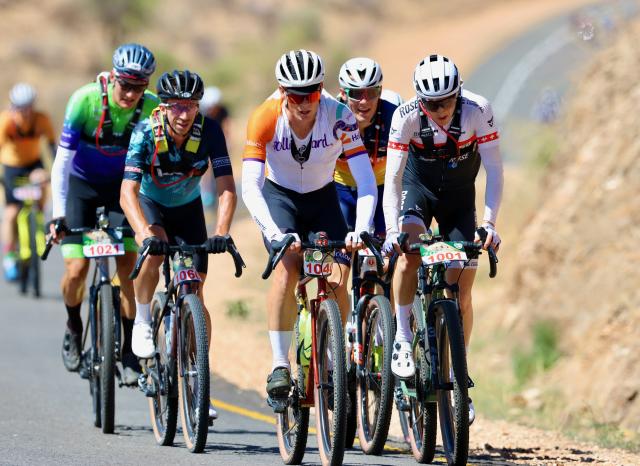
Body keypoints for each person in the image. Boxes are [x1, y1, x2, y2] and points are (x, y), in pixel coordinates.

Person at [241, 49, 377, 405]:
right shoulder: (264, 117)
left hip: (322, 198)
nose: (305, 103)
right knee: (286, 273)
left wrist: (360, 229)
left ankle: (335, 352)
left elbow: (365, 181)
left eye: (312, 93)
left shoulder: (339, 116)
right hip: (280, 198)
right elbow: (250, 186)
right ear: (283, 92)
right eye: (297, 95)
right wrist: (274, 234)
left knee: (338, 276)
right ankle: (279, 364)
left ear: (321, 90)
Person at [382, 54, 503, 424]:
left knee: (463, 291)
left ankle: (456, 376)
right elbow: (393, 180)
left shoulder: (477, 111)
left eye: (447, 101)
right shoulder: (405, 118)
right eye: (432, 104)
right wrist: (392, 232)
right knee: (409, 254)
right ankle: (403, 336)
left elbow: (496, 170)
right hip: (418, 192)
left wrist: (490, 224)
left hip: (458, 200)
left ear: (459, 94)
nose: (440, 109)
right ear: (420, 101)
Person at [120, 69, 236, 420]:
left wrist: (222, 232)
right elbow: (127, 192)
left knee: (196, 293)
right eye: (176, 107)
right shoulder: (145, 133)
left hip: (188, 209)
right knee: (154, 256)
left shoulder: (210, 131)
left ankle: (200, 383)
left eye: (191, 106)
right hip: (151, 205)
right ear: (164, 107)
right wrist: (143, 236)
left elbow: (227, 185)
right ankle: (142, 320)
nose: (184, 114)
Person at [48, 43, 159, 385]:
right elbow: (62, 162)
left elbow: (155, 166)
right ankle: (73, 323)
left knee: (128, 264)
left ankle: (126, 349)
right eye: (125, 84)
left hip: (122, 190)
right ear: (112, 77)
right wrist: (57, 214)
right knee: (77, 268)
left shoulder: (153, 107)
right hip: (81, 186)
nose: (130, 93)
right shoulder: (85, 100)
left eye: (138, 86)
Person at [334, 57, 402, 237]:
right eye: (356, 93)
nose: (364, 101)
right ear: (343, 93)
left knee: (388, 258)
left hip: (382, 189)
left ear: (380, 91)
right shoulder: (330, 116)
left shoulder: (393, 116)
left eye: (372, 92)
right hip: (342, 191)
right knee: (341, 258)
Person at [0, 83, 56, 281]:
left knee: (40, 193)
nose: (24, 111)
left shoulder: (42, 120)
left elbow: (52, 148)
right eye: (19, 107)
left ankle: (37, 220)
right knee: (11, 213)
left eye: (27, 107)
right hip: (11, 166)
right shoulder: (6, 121)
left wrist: (54, 171)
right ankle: (8, 255)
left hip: (33, 164)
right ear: (13, 106)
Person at [199, 86, 231, 208]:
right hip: (203, 139)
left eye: (215, 106)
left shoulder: (223, 110)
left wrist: (227, 142)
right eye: (211, 107)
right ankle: (205, 190)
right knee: (206, 165)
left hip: (217, 137)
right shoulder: (203, 112)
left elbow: (227, 126)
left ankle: (220, 189)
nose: (214, 110)